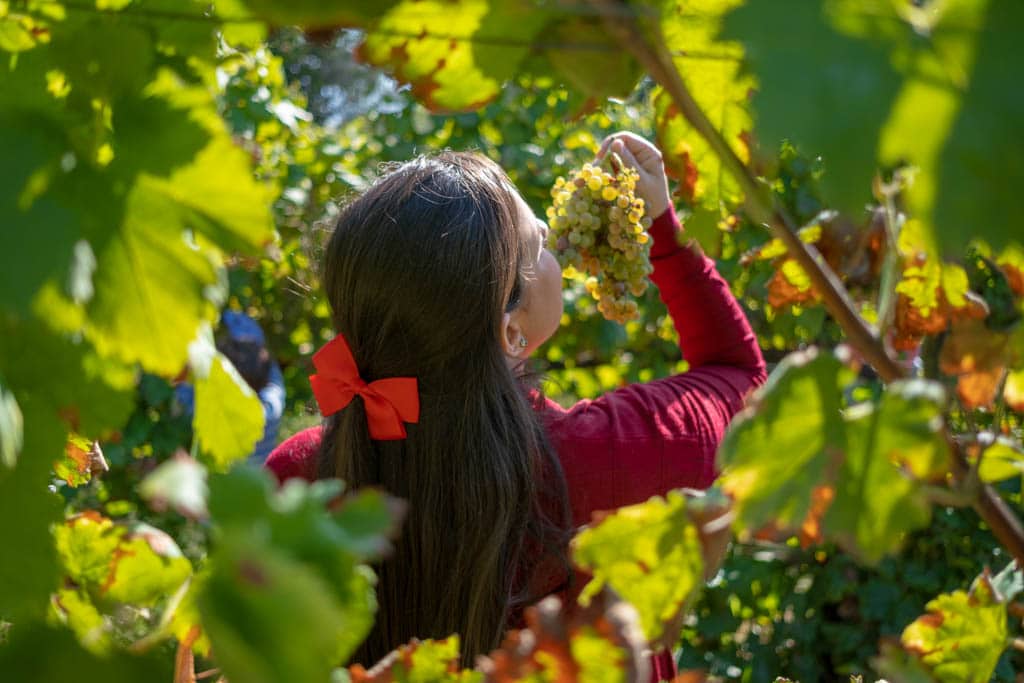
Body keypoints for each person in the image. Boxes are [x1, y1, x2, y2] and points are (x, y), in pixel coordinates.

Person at [265, 133, 766, 677]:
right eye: (538, 245)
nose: (551, 232)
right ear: (509, 330)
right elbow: (739, 377)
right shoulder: (608, 454)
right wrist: (662, 232)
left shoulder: (294, 478)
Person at [176, 310, 285, 464]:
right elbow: (272, 370)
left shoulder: (202, 411)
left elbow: (185, 385)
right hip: (259, 483)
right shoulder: (271, 409)